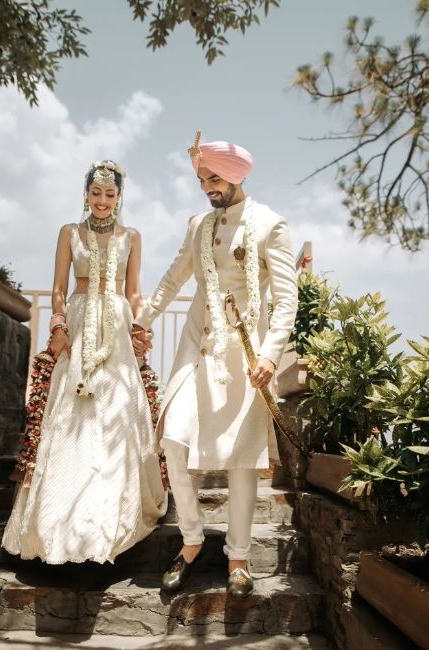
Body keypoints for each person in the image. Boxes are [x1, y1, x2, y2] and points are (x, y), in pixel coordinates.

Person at [132, 133, 298, 597]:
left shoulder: (270, 225)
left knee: (242, 458)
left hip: (245, 353)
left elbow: (286, 300)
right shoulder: (197, 226)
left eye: (214, 178)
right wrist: (141, 322)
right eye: (202, 180)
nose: (207, 187)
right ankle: (191, 540)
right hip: (197, 344)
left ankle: (238, 557)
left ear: (235, 175)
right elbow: (173, 279)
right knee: (172, 439)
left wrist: (270, 354)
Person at [2, 160, 167, 563]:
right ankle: (58, 522)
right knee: (70, 413)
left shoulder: (131, 236)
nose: (102, 201)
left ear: (119, 197)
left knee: (117, 411)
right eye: (96, 193)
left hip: (117, 328)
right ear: (86, 194)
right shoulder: (69, 233)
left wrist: (141, 328)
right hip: (77, 322)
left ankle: (108, 521)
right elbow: (58, 288)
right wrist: (58, 326)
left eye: (110, 194)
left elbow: (133, 291)